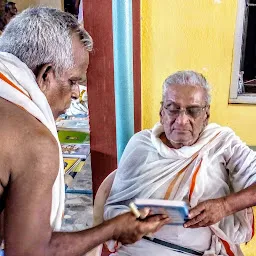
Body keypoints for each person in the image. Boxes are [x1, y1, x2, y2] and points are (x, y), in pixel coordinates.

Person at [0, 7, 169, 256]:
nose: (77, 92)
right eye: (73, 81)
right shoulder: (33, 141)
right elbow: (29, 252)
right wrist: (112, 229)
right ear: (46, 75)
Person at [104, 70, 256, 256]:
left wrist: (225, 206)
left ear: (206, 115)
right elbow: (112, 209)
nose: (182, 120)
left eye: (193, 111)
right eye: (173, 108)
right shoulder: (140, 145)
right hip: (136, 249)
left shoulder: (222, 143)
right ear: (161, 113)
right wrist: (134, 221)